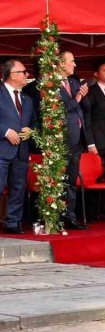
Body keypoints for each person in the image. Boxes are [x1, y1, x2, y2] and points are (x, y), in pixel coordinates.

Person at [0, 60, 34, 233]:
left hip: (21, 151)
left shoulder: (27, 99)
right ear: (13, 75)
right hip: (2, 150)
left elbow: (34, 122)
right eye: (23, 71)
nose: (27, 75)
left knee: (18, 188)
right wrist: (5, 131)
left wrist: (30, 130)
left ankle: (13, 223)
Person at [59, 51, 90, 230]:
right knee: (61, 179)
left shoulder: (74, 82)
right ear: (61, 64)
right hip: (63, 139)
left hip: (78, 139)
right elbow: (64, 108)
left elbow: (83, 108)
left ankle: (70, 216)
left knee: (72, 179)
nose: (75, 65)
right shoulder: (52, 84)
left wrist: (84, 96)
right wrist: (78, 97)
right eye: (72, 61)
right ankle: (59, 215)